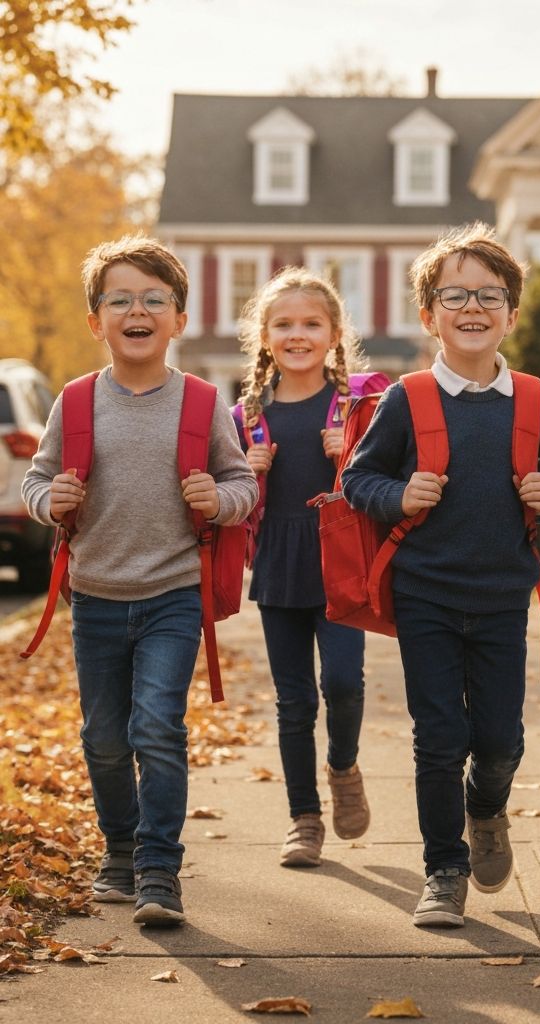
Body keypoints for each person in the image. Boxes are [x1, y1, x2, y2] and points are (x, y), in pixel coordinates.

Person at [22, 235, 259, 927]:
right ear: (96, 320)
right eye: (120, 299)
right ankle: (120, 849)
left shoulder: (202, 402)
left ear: (179, 319)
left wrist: (220, 499)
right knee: (103, 737)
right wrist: (48, 502)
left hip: (173, 594)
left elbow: (242, 482)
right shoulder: (74, 402)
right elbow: (37, 479)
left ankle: (159, 867)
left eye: (155, 299)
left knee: (157, 727)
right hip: (95, 594)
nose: (137, 310)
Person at [341, 223, 540, 929]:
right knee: (438, 737)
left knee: (500, 742)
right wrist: (399, 494)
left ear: (512, 313)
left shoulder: (533, 398)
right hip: (426, 594)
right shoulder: (407, 398)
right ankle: (444, 870)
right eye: (455, 295)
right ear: (428, 314)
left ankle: (486, 807)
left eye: (489, 295)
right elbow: (357, 480)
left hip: (502, 595)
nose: (473, 307)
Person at [236, 267, 373, 869]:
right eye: (284, 324)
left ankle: (343, 766)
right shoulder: (248, 416)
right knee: (293, 701)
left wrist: (353, 452)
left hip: (340, 562)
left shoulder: (356, 407)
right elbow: (228, 498)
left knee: (342, 682)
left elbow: (386, 477)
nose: (298, 334)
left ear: (334, 334)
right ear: (265, 337)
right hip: (279, 563)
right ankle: (304, 817)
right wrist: (248, 470)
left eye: (312, 324)